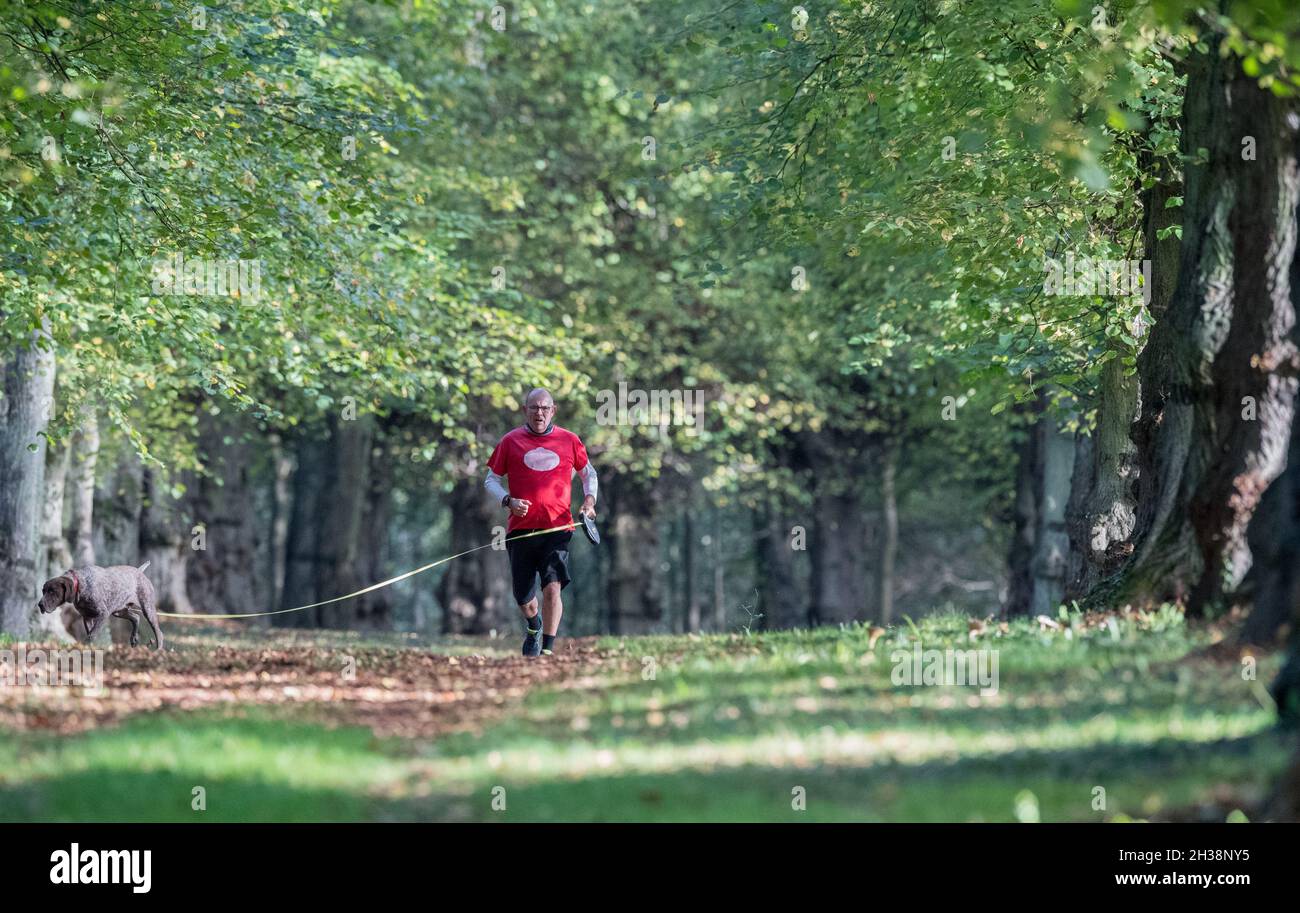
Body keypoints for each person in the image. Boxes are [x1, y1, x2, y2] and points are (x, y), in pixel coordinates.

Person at [484, 388, 597, 656]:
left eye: (545, 408)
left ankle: (546, 649)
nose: (540, 413)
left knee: (552, 587)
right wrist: (508, 501)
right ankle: (533, 625)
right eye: (534, 408)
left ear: (553, 410)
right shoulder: (510, 441)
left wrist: (589, 501)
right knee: (524, 598)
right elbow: (491, 479)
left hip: (558, 527)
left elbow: (587, 472)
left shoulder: (569, 440)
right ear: (525, 410)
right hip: (520, 530)